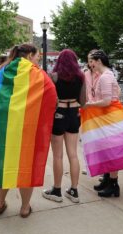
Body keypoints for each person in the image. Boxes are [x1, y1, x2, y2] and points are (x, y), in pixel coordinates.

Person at [0, 44, 57, 217]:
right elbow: (52, 96)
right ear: (30, 55)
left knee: (4, 163)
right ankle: (24, 208)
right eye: (37, 56)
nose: (37, 59)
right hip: (29, 130)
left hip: (4, 130)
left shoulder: (1, 73)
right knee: (26, 166)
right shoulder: (38, 74)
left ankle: (0, 203)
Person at [81, 50, 123, 198]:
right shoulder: (106, 75)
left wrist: (89, 104)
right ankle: (108, 180)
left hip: (111, 117)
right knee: (107, 149)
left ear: (99, 61)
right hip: (108, 117)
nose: (90, 64)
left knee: (112, 151)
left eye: (92, 61)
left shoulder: (106, 76)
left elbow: (107, 101)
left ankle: (113, 184)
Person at [42, 49, 85, 203]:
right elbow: (84, 102)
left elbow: (48, 99)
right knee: (73, 154)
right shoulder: (81, 77)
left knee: (58, 155)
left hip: (58, 114)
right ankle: (74, 190)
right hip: (74, 113)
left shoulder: (54, 76)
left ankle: (57, 190)